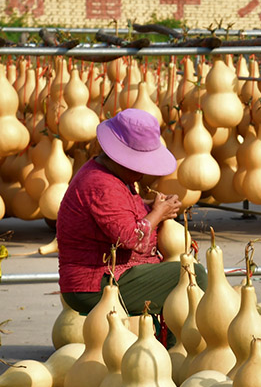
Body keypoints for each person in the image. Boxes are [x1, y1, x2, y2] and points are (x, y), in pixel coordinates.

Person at [57, 107, 207, 316]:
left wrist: (152, 207)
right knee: (192, 274)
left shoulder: (111, 175)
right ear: (117, 158)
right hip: (97, 283)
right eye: (137, 165)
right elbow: (130, 239)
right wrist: (159, 214)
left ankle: (170, 345)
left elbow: (119, 209)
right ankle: (178, 346)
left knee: (182, 282)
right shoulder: (101, 185)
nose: (142, 172)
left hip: (112, 276)